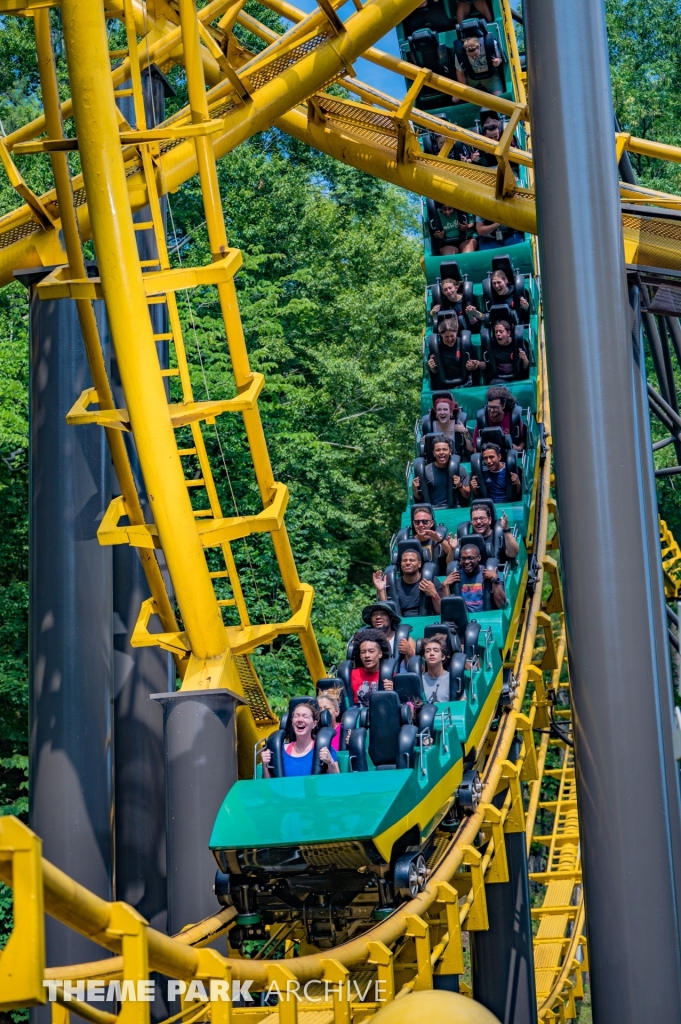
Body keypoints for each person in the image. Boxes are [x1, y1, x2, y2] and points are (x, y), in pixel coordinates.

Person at [261, 701, 339, 777]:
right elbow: (268, 784)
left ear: (314, 724)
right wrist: (265, 765)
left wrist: (330, 762)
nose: (300, 720)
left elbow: (337, 781)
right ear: (292, 722)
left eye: (305, 716)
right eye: (296, 716)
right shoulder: (279, 751)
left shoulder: (325, 749)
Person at [373, 547, 442, 616]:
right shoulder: (394, 584)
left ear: (419, 564)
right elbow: (386, 613)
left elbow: (440, 611)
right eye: (404, 560)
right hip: (402, 623)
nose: (408, 563)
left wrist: (434, 594)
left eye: (412, 560)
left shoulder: (431, 581)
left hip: (427, 621)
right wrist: (381, 590)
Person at [444, 542, 507, 611]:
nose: (466, 562)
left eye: (471, 558)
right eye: (463, 559)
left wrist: (495, 580)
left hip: (486, 618)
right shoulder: (455, 576)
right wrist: (444, 585)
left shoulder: (491, 573)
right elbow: (447, 609)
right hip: (464, 619)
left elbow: (501, 604)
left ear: (479, 558)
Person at [412, 435, 470, 508]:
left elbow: (467, 495)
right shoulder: (425, 471)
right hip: (434, 510)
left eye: (444, 449)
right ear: (433, 453)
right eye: (438, 450)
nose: (441, 452)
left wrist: (460, 485)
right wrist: (415, 489)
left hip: (454, 510)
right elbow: (420, 498)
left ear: (450, 452)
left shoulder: (459, 469)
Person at [471, 386, 526, 452]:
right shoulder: (483, 421)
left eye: (495, 407)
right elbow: (474, 448)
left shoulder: (513, 419)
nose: (491, 410)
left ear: (503, 406)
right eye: (489, 407)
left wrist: (518, 448)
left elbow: (523, 441)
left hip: (509, 454)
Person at [428, 317, 479, 386]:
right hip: (445, 385)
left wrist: (475, 364)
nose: (449, 339)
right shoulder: (436, 349)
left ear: (456, 332)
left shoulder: (465, 344)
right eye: (446, 336)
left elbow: (479, 364)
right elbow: (435, 371)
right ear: (441, 334)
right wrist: (432, 367)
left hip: (466, 383)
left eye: (452, 336)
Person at [348, 628, 393, 702]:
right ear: (360, 655)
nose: (367, 655)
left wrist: (393, 692)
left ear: (380, 654)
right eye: (363, 652)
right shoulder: (351, 675)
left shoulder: (390, 676)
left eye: (371, 651)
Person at [410, 506, 454, 570]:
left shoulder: (439, 539)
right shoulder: (409, 542)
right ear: (414, 524)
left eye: (425, 521)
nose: (421, 525)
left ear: (431, 523)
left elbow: (450, 553)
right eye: (417, 522)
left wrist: (439, 540)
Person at [421, 634, 452, 702]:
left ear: (443, 656)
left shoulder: (452, 678)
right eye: (427, 651)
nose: (431, 653)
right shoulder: (419, 680)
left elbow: (461, 702)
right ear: (424, 657)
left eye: (436, 650)